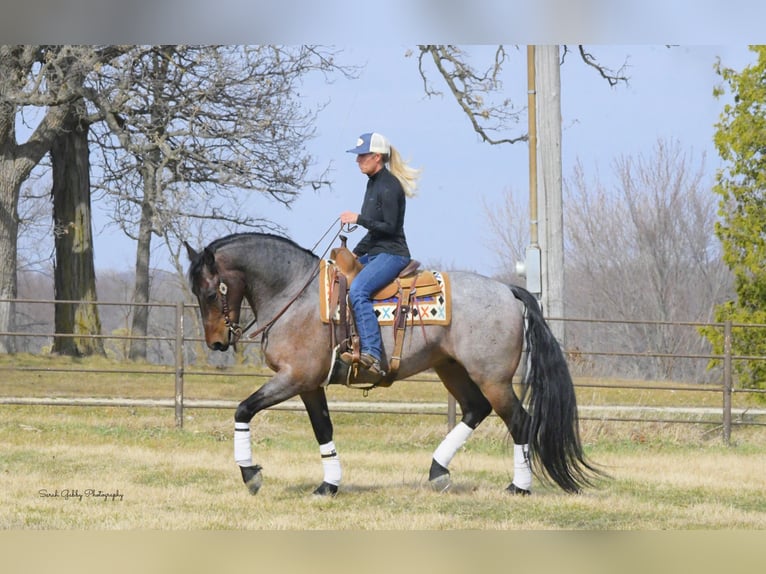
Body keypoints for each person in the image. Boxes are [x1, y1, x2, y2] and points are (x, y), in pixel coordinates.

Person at [339, 132, 421, 377]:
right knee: (336, 277)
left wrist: (359, 219)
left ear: (377, 157)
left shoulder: (389, 185)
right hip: (376, 252)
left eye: (362, 156)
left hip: (393, 255)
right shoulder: (373, 183)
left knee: (358, 291)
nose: (358, 161)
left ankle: (373, 354)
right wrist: (355, 253)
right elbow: (375, 232)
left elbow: (391, 228)